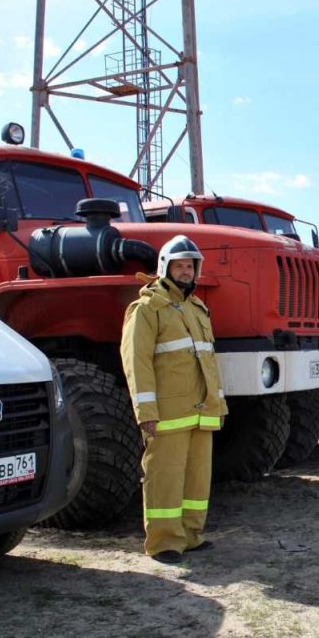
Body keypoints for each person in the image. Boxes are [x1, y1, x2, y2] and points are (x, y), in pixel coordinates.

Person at [120, 235, 228, 564]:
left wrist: (219, 405)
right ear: (165, 267)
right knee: (165, 477)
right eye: (179, 265)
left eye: (190, 266)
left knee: (197, 479)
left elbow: (209, 362)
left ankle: (191, 536)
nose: (185, 271)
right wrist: (146, 412)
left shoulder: (198, 308)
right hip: (167, 413)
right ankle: (164, 542)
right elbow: (135, 363)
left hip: (202, 412)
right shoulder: (146, 308)